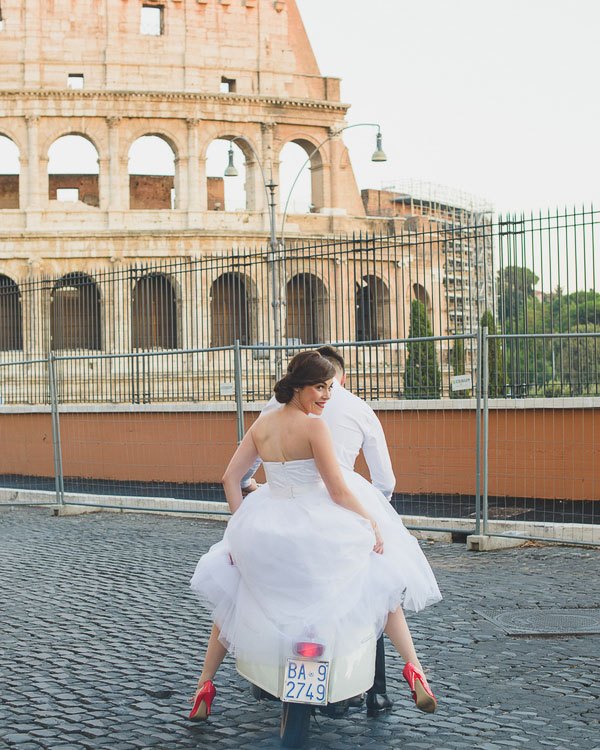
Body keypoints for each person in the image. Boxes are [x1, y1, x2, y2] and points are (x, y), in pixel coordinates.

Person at [188, 351, 442, 723]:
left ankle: (205, 686)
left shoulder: (262, 425)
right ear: (299, 387)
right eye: (320, 388)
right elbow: (337, 489)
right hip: (317, 522)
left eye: (329, 387)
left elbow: (230, 479)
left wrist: (241, 528)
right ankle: (414, 669)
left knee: (236, 599)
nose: (327, 395)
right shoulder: (313, 426)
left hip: (268, 523)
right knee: (380, 582)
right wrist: (368, 521)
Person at [240, 345, 396, 714]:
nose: (328, 393)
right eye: (323, 386)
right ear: (336, 378)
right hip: (338, 515)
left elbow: (242, 474)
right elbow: (384, 481)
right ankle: (375, 692)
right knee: (369, 593)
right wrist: (373, 514)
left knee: (267, 594)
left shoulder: (270, 412)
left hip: (279, 520)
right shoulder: (357, 409)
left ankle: (265, 681)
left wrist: (255, 503)